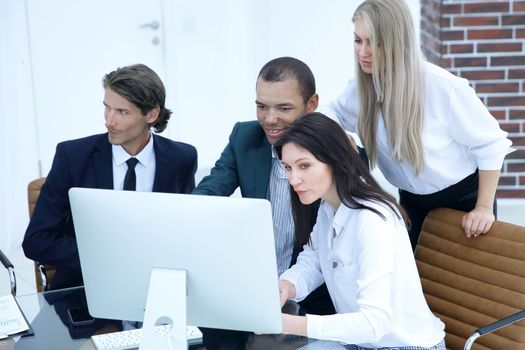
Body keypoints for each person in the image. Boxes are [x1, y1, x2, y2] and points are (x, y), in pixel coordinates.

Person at [320, 0, 513, 250]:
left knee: (464, 286)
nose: (363, 52)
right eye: (358, 40)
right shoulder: (360, 91)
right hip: (411, 203)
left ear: (396, 42)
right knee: (417, 283)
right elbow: (329, 111)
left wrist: (484, 209)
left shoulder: (444, 87)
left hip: (465, 201)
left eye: (374, 42)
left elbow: (492, 145)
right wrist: (339, 134)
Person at [275, 112, 445, 349]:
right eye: (288, 168)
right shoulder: (328, 207)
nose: (294, 179)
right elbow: (313, 260)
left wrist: (291, 324)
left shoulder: (374, 220)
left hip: (403, 345)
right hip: (362, 342)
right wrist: (287, 285)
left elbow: (375, 322)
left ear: (335, 160)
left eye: (304, 166)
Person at [23, 63, 198, 290]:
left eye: (122, 112)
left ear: (152, 114)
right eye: (107, 108)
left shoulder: (181, 158)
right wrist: (109, 258)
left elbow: (184, 231)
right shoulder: (72, 156)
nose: (109, 121)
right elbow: (37, 241)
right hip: (87, 288)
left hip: (155, 287)